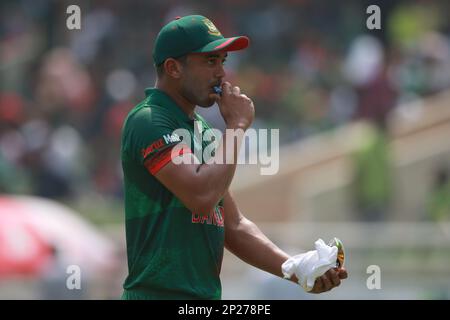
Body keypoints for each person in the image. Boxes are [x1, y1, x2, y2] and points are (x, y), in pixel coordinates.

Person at [120, 15, 347, 300]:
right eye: (210, 61)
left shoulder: (199, 129)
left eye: (222, 62)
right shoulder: (149, 120)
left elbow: (233, 224)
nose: (221, 74)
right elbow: (201, 196)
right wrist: (237, 127)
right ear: (173, 67)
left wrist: (296, 268)